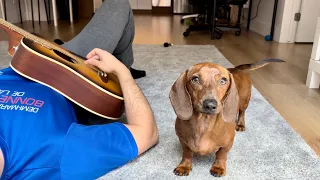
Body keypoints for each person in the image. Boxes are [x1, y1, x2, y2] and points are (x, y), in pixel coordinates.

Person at [0, 0, 158, 179]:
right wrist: (121, 73)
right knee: (118, 4)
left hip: (31, 59)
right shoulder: (54, 155)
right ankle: (121, 73)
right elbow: (147, 132)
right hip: (70, 76)